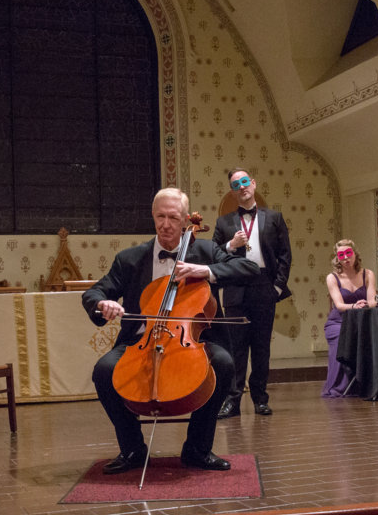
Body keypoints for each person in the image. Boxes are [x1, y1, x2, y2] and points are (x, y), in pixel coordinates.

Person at [82, 187, 260, 474]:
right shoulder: (130, 258)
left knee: (224, 364)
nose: (166, 224)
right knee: (104, 370)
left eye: (174, 218)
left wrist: (207, 271)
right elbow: (96, 291)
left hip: (191, 338)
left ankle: (197, 450)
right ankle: (132, 449)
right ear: (153, 216)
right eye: (160, 217)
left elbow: (248, 269)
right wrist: (102, 302)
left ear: (186, 219)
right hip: (141, 340)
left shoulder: (205, 252)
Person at [212, 168, 292, 418]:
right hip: (235, 288)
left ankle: (260, 399)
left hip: (264, 287)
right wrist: (230, 245)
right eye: (236, 185)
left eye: (245, 182)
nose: (241, 187)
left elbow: (285, 256)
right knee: (236, 348)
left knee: (261, 348)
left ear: (254, 184)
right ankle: (232, 401)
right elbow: (213, 254)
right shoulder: (223, 223)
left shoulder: (274, 218)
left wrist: (277, 287)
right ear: (233, 192)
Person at [322, 240, 376, 398]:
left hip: (361, 322)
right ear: (337, 258)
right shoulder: (332, 277)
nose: (345, 258)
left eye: (348, 254)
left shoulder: (368, 274)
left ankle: (364, 384)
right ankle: (339, 387)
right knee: (341, 339)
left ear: (355, 254)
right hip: (338, 322)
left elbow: (373, 300)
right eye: (341, 255)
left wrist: (366, 304)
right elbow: (339, 305)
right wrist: (355, 306)